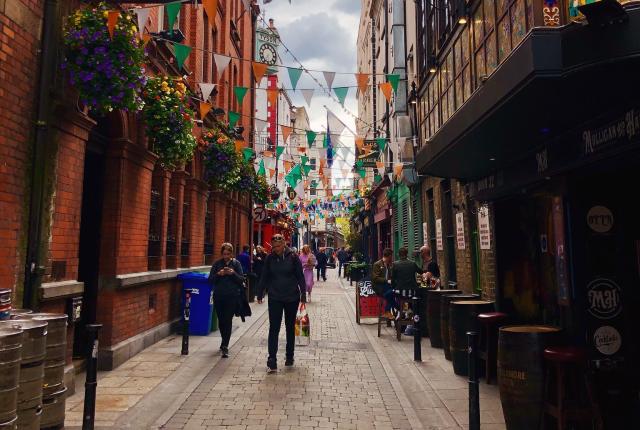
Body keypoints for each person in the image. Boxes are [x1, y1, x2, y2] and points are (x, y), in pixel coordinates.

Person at [257, 234, 306, 373]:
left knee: (290, 327)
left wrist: (303, 294)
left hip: (292, 297)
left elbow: (300, 276)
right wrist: (260, 293)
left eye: (278, 246)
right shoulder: (270, 258)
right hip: (275, 297)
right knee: (274, 328)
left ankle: (289, 356)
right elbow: (264, 276)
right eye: (274, 246)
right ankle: (272, 359)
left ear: (284, 244)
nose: (276, 249)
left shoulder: (293, 257)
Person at [208, 243, 245, 358]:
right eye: (224, 254)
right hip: (219, 296)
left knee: (228, 320)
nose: (226, 256)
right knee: (222, 321)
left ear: (232, 254)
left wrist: (232, 273)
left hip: (232, 297)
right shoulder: (217, 264)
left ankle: (225, 345)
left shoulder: (236, 264)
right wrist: (219, 274)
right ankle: (224, 341)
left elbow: (241, 280)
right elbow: (210, 280)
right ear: (221, 253)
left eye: (228, 254)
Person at [372, 248, 394, 319]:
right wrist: (387, 281)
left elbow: (390, 276)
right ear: (389, 256)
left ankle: (388, 312)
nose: (392, 258)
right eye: (391, 256)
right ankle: (398, 309)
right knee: (392, 293)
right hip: (379, 287)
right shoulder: (377, 264)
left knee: (393, 293)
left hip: (387, 287)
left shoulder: (388, 265)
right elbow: (375, 278)